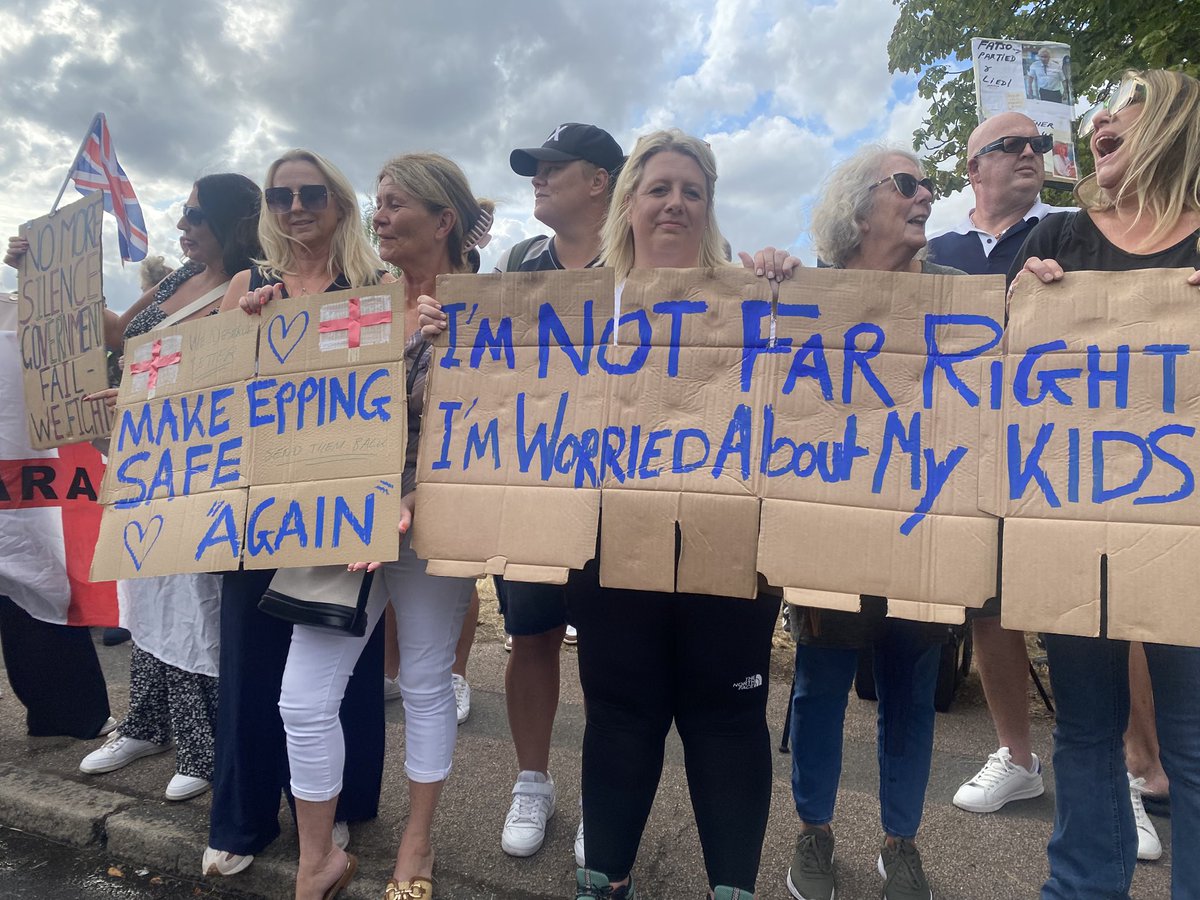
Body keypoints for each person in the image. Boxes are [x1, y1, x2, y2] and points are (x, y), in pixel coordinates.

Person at [239, 152, 490, 900]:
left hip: (437, 522)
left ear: (443, 221)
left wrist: (418, 491)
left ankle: (417, 844)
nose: (377, 216)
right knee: (301, 699)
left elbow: (501, 427)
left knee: (424, 680)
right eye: (376, 203)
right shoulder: (362, 298)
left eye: (394, 204)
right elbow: (307, 402)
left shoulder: (495, 307)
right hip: (347, 526)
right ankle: (319, 859)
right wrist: (260, 322)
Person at [571, 128, 782, 900]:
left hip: (731, 544)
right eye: (659, 188)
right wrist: (451, 344)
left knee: (729, 719)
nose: (675, 203)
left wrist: (785, 282)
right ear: (628, 203)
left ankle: (732, 889)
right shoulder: (578, 302)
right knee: (620, 715)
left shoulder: (755, 295)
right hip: (611, 545)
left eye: (693, 191)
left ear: (710, 208)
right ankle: (606, 883)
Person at [1011, 68, 1200, 900]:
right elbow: (990, 377)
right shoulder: (1056, 236)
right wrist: (1017, 309)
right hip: (1072, 528)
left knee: (1194, 738)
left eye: (1122, 104)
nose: (1099, 122)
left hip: (1185, 534)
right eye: (1097, 113)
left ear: (1171, 121)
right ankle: (1082, 885)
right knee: (1087, 730)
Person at [203, 150, 389, 881]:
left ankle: (335, 801)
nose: (296, 206)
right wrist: (244, 331)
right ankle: (242, 818)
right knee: (249, 656)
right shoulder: (249, 287)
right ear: (267, 209)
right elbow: (212, 388)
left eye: (312, 193)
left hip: (341, 503)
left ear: (340, 204)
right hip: (259, 503)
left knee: (337, 657)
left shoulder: (373, 287)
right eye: (281, 195)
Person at [787, 145, 960, 900]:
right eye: (907, 184)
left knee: (911, 689)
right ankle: (814, 832)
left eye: (930, 184)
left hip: (929, 527)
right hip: (832, 527)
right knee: (821, 682)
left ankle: (902, 842)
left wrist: (1043, 290)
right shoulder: (814, 293)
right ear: (858, 209)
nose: (927, 194)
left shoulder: (964, 294)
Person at [74, 173, 262, 802]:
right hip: (144, 457)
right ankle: (147, 723)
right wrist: (66, 282)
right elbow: (116, 336)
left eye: (194, 218)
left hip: (198, 460)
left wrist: (133, 392)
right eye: (182, 216)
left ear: (232, 224)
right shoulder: (179, 280)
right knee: (147, 592)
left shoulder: (247, 280)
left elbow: (221, 369)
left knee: (190, 599)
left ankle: (201, 744)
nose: (182, 229)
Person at [928, 113, 1069, 815]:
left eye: (1037, 145)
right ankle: (1018, 757)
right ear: (971, 167)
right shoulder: (937, 250)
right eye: (1009, 145)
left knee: (1094, 613)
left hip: (1066, 457)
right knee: (990, 608)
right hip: (971, 459)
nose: (1028, 153)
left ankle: (1132, 772)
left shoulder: (1074, 232)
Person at [495, 122, 624, 862]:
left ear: (599, 180)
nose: (537, 180)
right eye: (532, 171)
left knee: (610, 648)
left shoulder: (645, 260)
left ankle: (603, 792)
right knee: (531, 635)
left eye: (552, 168)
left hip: (618, 492)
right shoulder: (519, 263)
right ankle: (532, 780)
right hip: (536, 484)